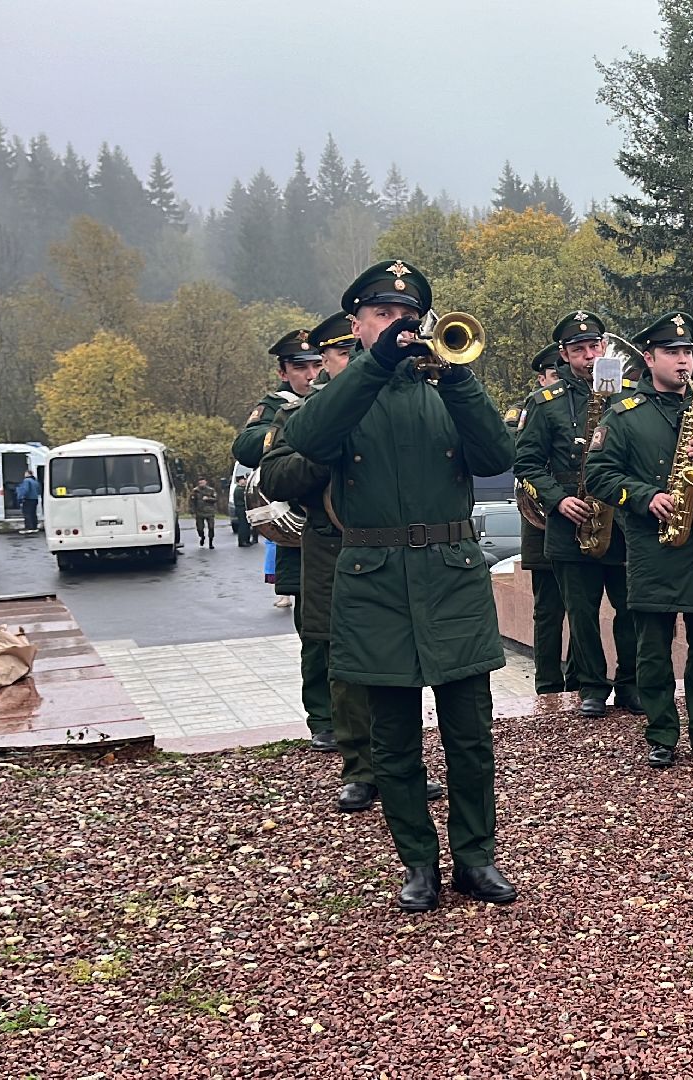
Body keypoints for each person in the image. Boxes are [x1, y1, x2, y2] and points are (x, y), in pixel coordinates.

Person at [284, 258, 516, 912]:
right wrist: (377, 363)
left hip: (450, 576)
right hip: (375, 581)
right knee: (392, 740)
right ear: (356, 325)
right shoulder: (345, 391)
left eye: (407, 315)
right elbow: (306, 438)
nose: (397, 324)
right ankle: (418, 862)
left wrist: (460, 378)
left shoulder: (446, 386)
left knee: (470, 734)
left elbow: (498, 456)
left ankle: (476, 858)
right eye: (382, 314)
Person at [261, 312, 446, 812]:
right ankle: (360, 769)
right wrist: (329, 446)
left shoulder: (406, 397)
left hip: (394, 550)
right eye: (342, 354)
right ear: (325, 361)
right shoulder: (307, 411)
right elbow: (275, 476)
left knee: (402, 661)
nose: (353, 360)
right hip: (332, 549)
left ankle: (404, 764)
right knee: (345, 664)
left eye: (353, 351)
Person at [584, 311, 693, 767]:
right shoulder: (624, 415)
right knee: (653, 648)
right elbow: (597, 475)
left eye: (687, 352)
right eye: (672, 352)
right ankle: (661, 734)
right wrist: (644, 496)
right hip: (654, 544)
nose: (682, 360)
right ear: (650, 358)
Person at [514, 311, 640, 719]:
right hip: (572, 518)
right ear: (565, 355)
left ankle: (630, 683)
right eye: (579, 349)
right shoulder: (544, 403)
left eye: (594, 346)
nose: (589, 356)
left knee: (630, 607)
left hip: (622, 518)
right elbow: (526, 464)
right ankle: (591, 685)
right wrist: (558, 501)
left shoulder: (629, 395)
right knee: (581, 612)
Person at [235, 329, 334, 751]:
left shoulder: (339, 393)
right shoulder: (277, 407)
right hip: (303, 537)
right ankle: (323, 719)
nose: (310, 374)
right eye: (299, 367)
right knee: (315, 634)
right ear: (283, 372)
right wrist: (298, 424)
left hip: (346, 528)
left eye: (316, 365)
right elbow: (246, 445)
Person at [512, 343, 570, 695]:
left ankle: (579, 680)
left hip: (580, 519)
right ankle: (548, 683)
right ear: (542, 379)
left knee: (582, 609)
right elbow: (520, 459)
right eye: (553, 375)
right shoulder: (531, 410)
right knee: (548, 610)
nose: (559, 381)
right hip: (541, 523)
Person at [188, 477, 219, 549]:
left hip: (209, 512)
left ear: (206, 482)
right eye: (200, 483)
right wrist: (192, 512)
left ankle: (211, 543)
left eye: (203, 482)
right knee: (200, 528)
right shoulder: (195, 491)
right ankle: (202, 537)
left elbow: (215, 499)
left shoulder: (211, 490)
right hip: (199, 512)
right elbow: (192, 502)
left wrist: (208, 499)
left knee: (211, 527)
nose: (202, 484)